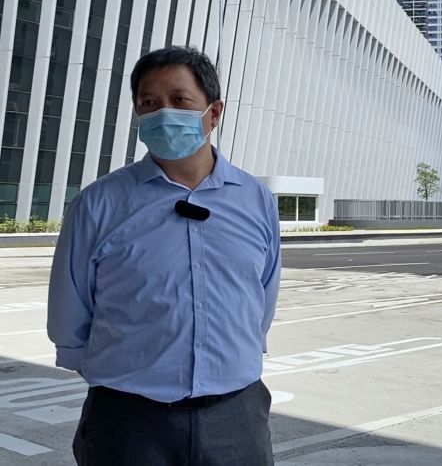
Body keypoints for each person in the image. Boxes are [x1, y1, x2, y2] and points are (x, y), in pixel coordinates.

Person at [47, 46, 281, 465]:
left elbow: (261, 300)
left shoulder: (256, 200)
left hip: (237, 417)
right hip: (127, 421)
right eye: (148, 103)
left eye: (180, 100)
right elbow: (70, 312)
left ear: (214, 112)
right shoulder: (98, 204)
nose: (162, 113)